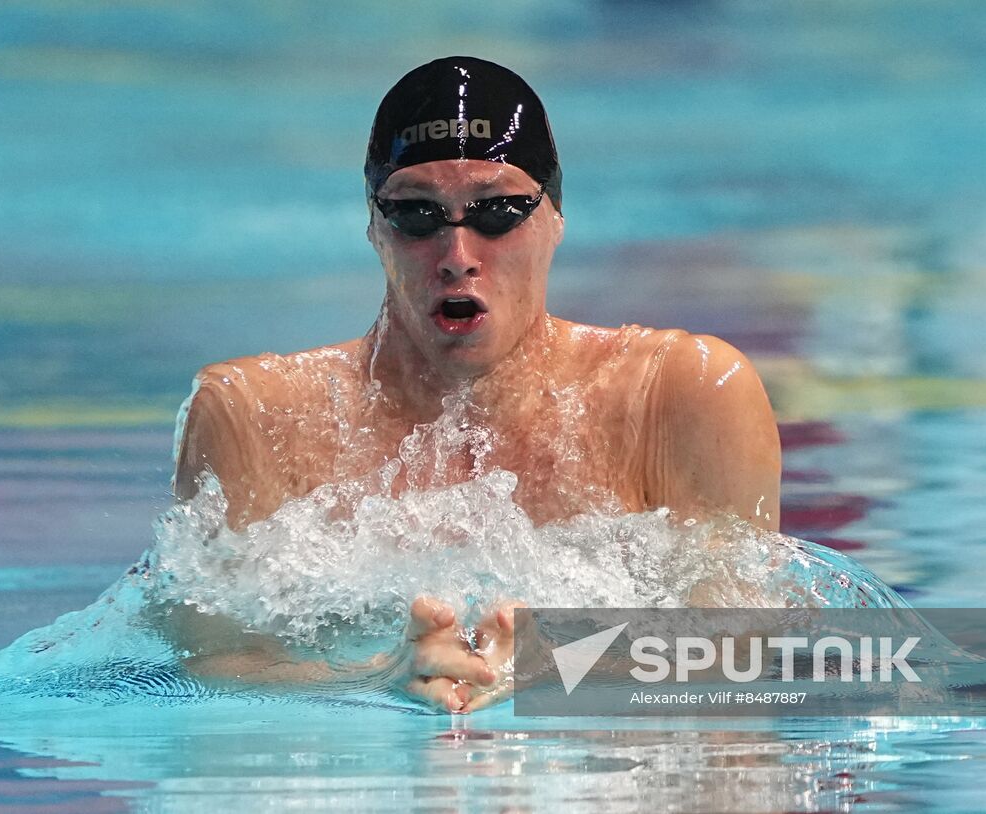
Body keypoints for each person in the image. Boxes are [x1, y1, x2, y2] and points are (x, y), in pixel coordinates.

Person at [168, 57, 781, 713]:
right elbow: (204, 667)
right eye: (416, 215)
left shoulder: (680, 394)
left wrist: (562, 661)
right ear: (375, 226)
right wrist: (375, 681)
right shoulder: (255, 416)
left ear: (555, 218)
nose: (458, 255)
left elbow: (752, 663)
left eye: (498, 212)